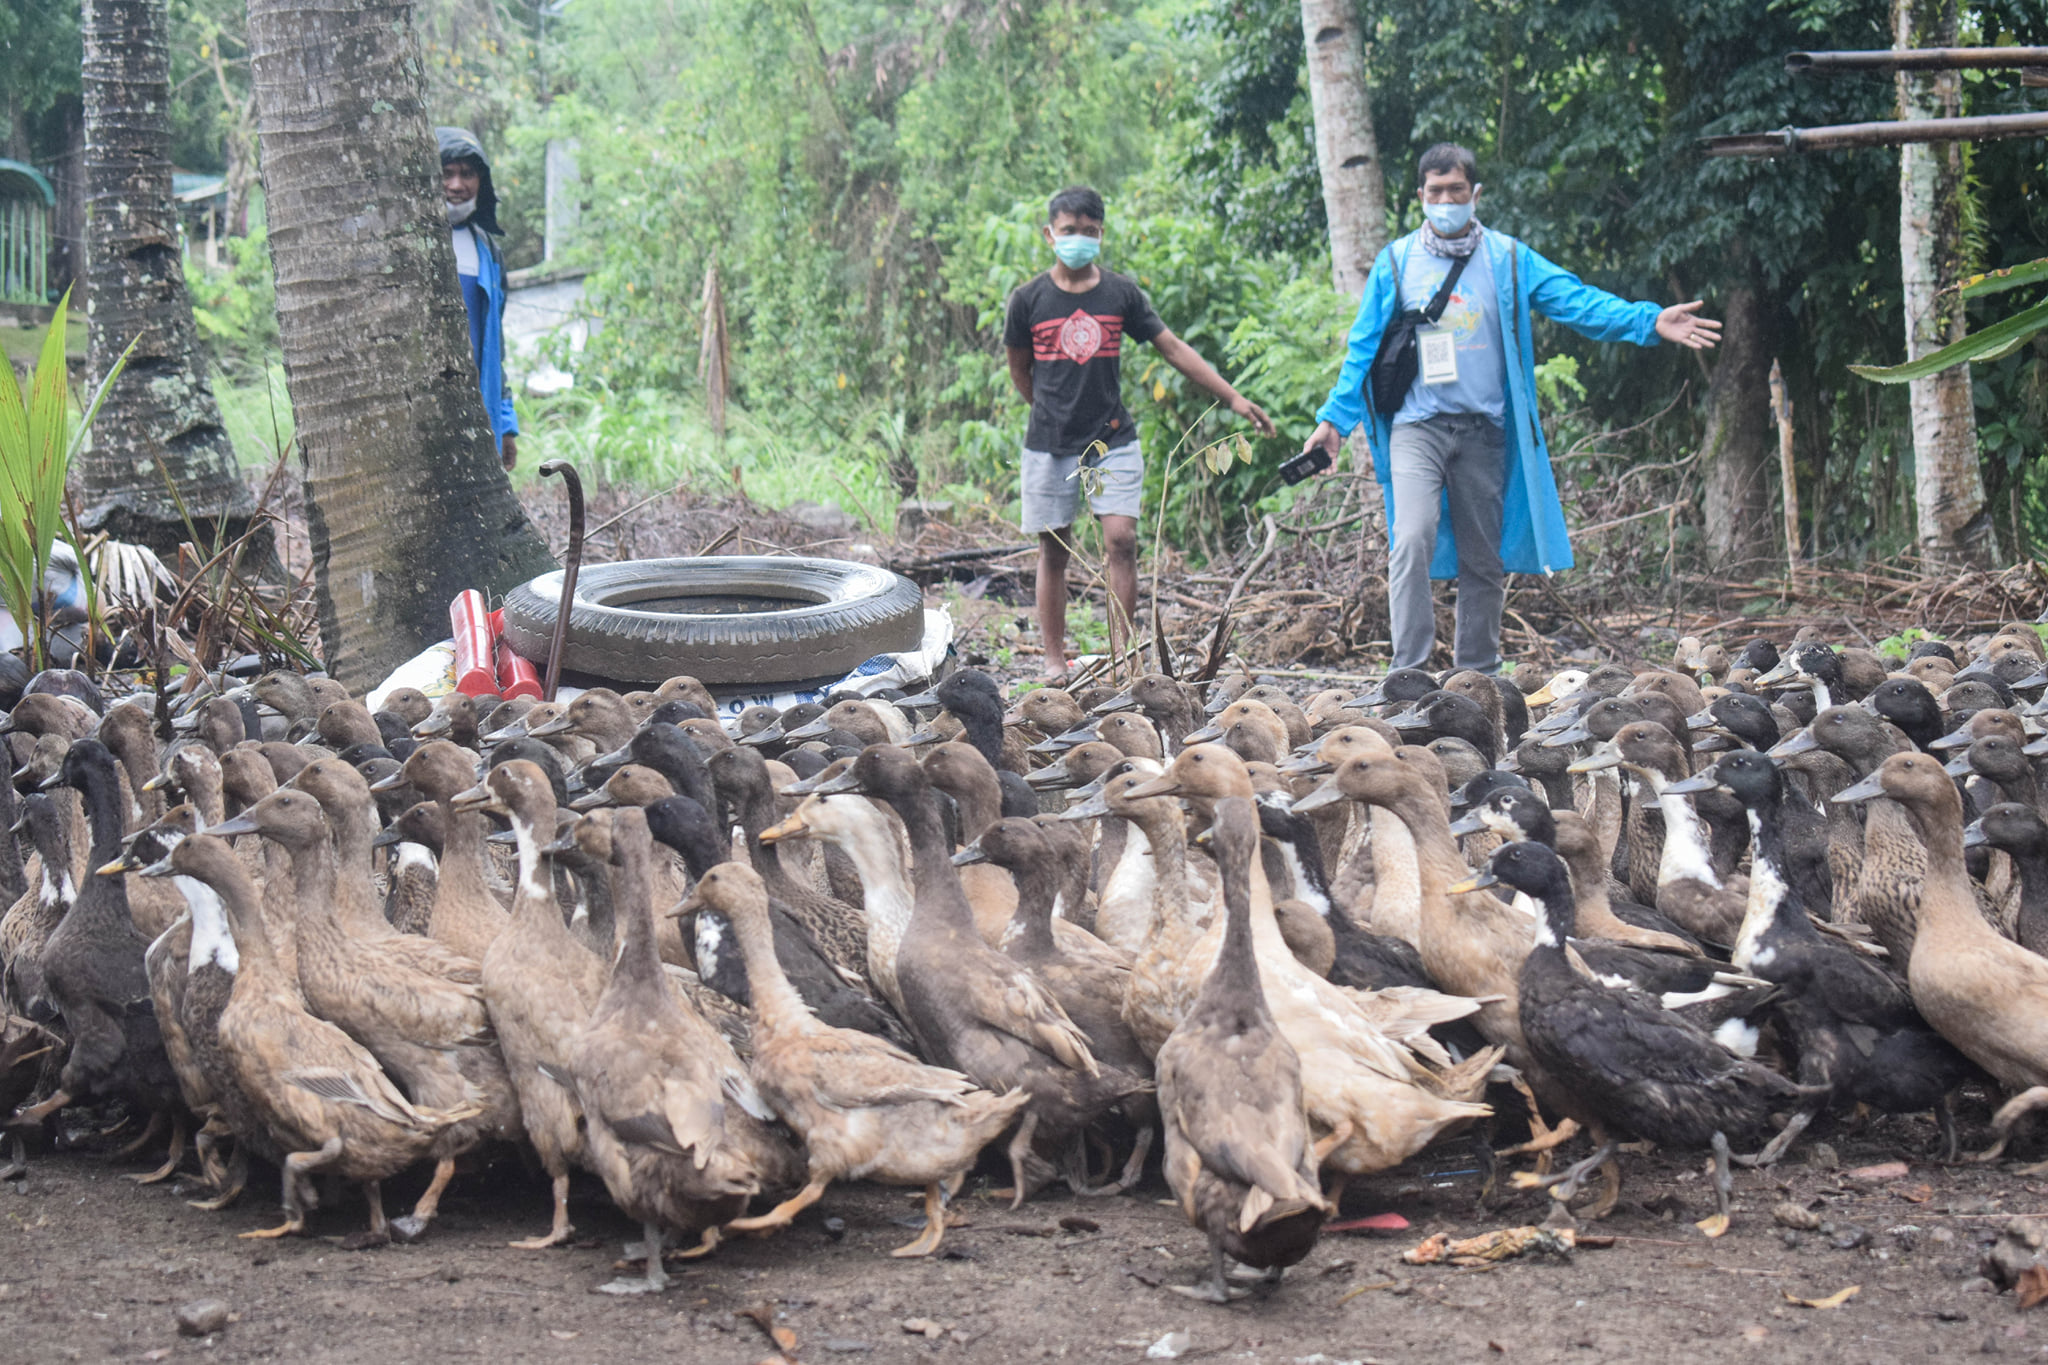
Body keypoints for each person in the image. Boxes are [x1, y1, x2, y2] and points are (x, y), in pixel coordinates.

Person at [1299, 143, 1720, 674]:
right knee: (1410, 537)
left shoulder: (1509, 260)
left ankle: (1476, 677)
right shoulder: (1397, 262)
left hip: (1483, 430)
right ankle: (1408, 673)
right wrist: (1334, 421)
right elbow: (1362, 346)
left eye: (1456, 190)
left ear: (1475, 195)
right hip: (1416, 427)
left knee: (1484, 558)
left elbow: (1578, 301)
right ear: (1421, 197)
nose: (1446, 200)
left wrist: (1649, 321)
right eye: (1435, 192)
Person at [1004, 186, 1276, 682]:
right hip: (1048, 443)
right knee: (1053, 549)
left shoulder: (1120, 293)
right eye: (1069, 231)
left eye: (1090, 232)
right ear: (1050, 235)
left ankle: (1123, 655)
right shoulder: (1028, 300)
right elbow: (1020, 370)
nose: (1080, 239)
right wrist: (1050, 411)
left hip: (1113, 439)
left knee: (1122, 540)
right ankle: (1051, 659)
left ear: (1101, 234)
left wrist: (1233, 397)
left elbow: (1171, 347)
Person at [438, 126, 519, 471]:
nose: (457, 185)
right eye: (447, 173)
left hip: (475, 409)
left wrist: (506, 424)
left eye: (467, 174)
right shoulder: (407, 243)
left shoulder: (488, 252)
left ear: (481, 182)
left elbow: (494, 343)